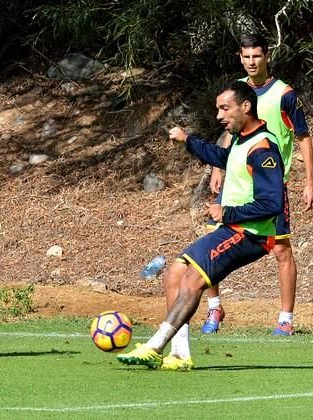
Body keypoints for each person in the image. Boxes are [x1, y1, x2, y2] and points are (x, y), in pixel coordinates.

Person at [117, 80, 284, 370]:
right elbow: (223, 157)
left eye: (225, 108)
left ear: (245, 106)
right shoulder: (242, 140)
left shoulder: (264, 148)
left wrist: (227, 213)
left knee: (192, 280)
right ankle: (180, 353)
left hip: (251, 234)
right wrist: (188, 141)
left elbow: (272, 203)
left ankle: (155, 345)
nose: (219, 116)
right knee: (174, 274)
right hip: (233, 229)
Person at [201, 34, 313, 336]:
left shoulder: (285, 95)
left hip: (269, 185)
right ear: (240, 58)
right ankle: (214, 308)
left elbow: (303, 137)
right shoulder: (235, 91)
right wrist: (218, 167)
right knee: (211, 240)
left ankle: (285, 318)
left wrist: (310, 182)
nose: (251, 62)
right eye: (246, 56)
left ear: (267, 56)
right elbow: (230, 129)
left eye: (256, 56)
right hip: (236, 182)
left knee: (281, 250)